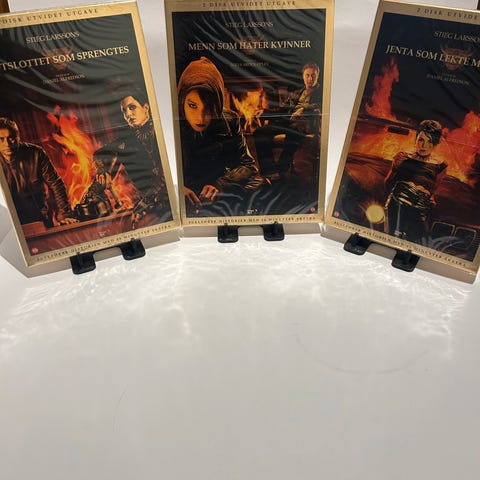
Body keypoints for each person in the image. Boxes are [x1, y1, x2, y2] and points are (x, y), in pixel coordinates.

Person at [177, 56, 265, 216]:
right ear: (182, 101)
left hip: (216, 190)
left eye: (208, 107)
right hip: (186, 195)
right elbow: (155, 173)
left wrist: (220, 184)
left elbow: (248, 165)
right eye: (192, 106)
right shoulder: (170, 123)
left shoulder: (230, 120)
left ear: (217, 105)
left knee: (260, 185)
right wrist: (176, 188)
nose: (200, 118)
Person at [86, 87, 171, 226]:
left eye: (132, 107)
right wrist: (102, 171)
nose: (128, 114)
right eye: (124, 111)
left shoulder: (162, 129)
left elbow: (166, 172)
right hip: (151, 208)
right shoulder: (126, 141)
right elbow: (98, 154)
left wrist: (146, 202)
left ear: (145, 108)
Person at [0, 117, 77, 227]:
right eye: (1, 139)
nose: (7, 144)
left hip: (41, 219)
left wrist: (65, 215)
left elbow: (56, 184)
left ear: (18, 137)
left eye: (11, 138)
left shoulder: (36, 153)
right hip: (9, 223)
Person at [253, 62, 322, 180]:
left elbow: (320, 106)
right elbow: (283, 109)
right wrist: (264, 113)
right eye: (307, 75)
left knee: (293, 131)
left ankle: (281, 169)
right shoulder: (298, 93)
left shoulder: (322, 93)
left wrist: (303, 110)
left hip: (306, 123)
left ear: (317, 77)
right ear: (303, 76)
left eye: (313, 76)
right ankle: (269, 170)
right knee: (259, 132)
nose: (310, 79)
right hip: (288, 122)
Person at [384, 119, 447, 243]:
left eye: (430, 142)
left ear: (435, 144)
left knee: (416, 242)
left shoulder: (440, 166)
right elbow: (387, 182)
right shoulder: (402, 157)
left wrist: (430, 200)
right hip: (397, 204)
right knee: (391, 239)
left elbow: (433, 190)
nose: (424, 145)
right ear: (416, 139)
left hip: (420, 210)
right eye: (421, 140)